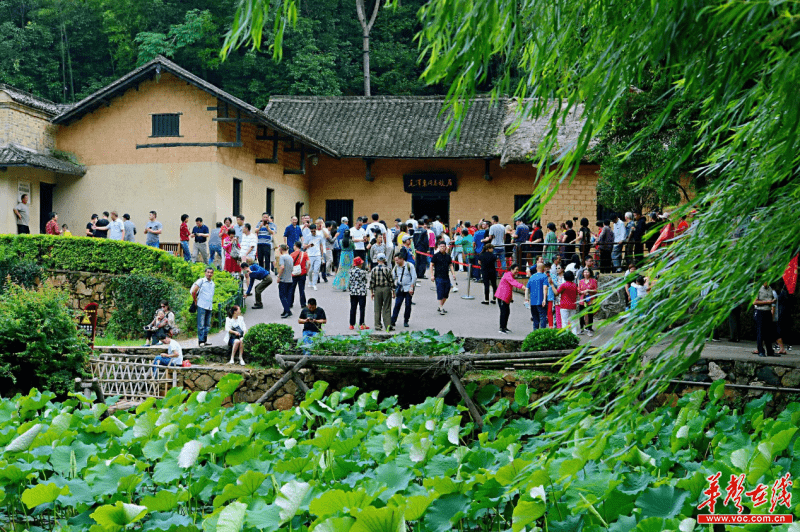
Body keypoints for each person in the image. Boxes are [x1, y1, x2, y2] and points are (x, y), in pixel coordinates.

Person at [495, 264, 526, 334]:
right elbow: (513, 282)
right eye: (516, 269)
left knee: (507, 312)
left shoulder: (510, 275)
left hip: (505, 297)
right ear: (512, 269)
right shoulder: (508, 275)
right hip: (502, 297)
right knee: (504, 312)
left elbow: (509, 288)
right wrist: (522, 286)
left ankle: (504, 327)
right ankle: (501, 328)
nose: (517, 271)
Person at [430, 241, 457, 315]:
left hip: (446, 276)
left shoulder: (448, 256)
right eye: (441, 246)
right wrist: (432, 275)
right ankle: (441, 308)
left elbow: (451, 265)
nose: (442, 248)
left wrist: (453, 274)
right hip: (438, 276)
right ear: (438, 247)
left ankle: (440, 305)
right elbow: (431, 265)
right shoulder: (436, 256)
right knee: (440, 292)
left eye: (443, 246)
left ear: (446, 247)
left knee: (446, 293)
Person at [369, 252, 394, 331]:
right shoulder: (387, 269)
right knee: (386, 307)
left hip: (377, 289)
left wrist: (372, 293)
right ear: (384, 260)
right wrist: (393, 291)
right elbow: (391, 281)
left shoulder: (374, 270)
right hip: (386, 289)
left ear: (377, 260)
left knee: (377, 308)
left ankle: (377, 325)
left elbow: (372, 282)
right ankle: (387, 325)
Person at [391, 253, 417, 329]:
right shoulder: (396, 267)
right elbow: (393, 276)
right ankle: (393, 320)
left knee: (408, 305)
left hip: (408, 288)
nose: (396, 262)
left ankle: (406, 320)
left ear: (402, 259)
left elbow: (414, 277)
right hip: (400, 288)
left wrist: (412, 287)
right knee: (397, 304)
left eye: (397, 260)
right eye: (395, 260)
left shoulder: (409, 266)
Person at [191, 267, 215, 347]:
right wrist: (195, 300)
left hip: (209, 306)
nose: (209, 274)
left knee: (207, 325)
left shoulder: (212, 284)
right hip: (201, 305)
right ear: (205, 273)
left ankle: (205, 340)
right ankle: (201, 341)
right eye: (208, 272)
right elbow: (194, 291)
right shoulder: (201, 281)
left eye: (211, 272)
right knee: (201, 324)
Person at [753, 281, 776, 357]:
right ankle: (760, 351)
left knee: (768, 332)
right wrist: (766, 302)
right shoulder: (758, 288)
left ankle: (770, 351)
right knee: (760, 332)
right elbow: (754, 302)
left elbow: (771, 298)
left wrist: (773, 301)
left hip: (768, 311)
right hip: (760, 311)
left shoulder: (770, 289)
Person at [525, 263, 550, 330]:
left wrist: (526, 299)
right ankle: (542, 334)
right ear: (544, 268)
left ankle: (535, 333)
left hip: (533, 302)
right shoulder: (544, 277)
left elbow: (527, 289)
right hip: (541, 301)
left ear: (536, 268)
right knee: (542, 318)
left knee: (535, 319)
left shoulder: (532, 277)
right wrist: (544, 299)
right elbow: (545, 287)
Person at [348, 257, 369, 329]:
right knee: (362, 308)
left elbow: (349, 281)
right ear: (359, 264)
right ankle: (361, 324)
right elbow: (365, 281)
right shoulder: (362, 272)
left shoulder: (350, 271)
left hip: (353, 292)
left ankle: (351, 324)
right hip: (361, 292)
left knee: (353, 308)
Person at [577, 268, 598, 336]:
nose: (586, 274)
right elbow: (578, 290)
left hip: (590, 300)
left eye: (587, 272)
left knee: (590, 315)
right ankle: (582, 329)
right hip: (582, 300)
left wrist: (589, 291)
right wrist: (582, 292)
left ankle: (589, 329)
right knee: (581, 315)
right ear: (583, 273)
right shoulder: (581, 281)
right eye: (585, 272)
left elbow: (596, 290)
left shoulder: (593, 281)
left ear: (590, 273)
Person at [303, 223, 324, 291]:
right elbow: (304, 246)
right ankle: (310, 281)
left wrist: (322, 255)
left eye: (314, 231)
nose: (313, 232)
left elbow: (321, 245)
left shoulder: (319, 236)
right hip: (310, 255)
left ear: (316, 229)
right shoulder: (308, 236)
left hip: (317, 255)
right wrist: (309, 245)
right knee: (310, 270)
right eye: (311, 231)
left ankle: (314, 284)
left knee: (316, 270)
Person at [276, 244, 294, 318]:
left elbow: (282, 267)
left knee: (282, 296)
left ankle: (287, 311)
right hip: (290, 278)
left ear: (281, 249)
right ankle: (286, 310)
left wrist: (279, 276)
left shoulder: (282, 257)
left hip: (284, 279)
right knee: (287, 295)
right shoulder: (290, 257)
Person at [289, 241, 309, 309]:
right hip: (302, 273)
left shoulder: (292, 254)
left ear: (295, 246)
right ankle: (303, 304)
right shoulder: (304, 254)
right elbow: (309, 263)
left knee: (292, 289)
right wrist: (306, 271)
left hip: (294, 274)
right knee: (302, 289)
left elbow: (289, 264)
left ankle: (290, 303)